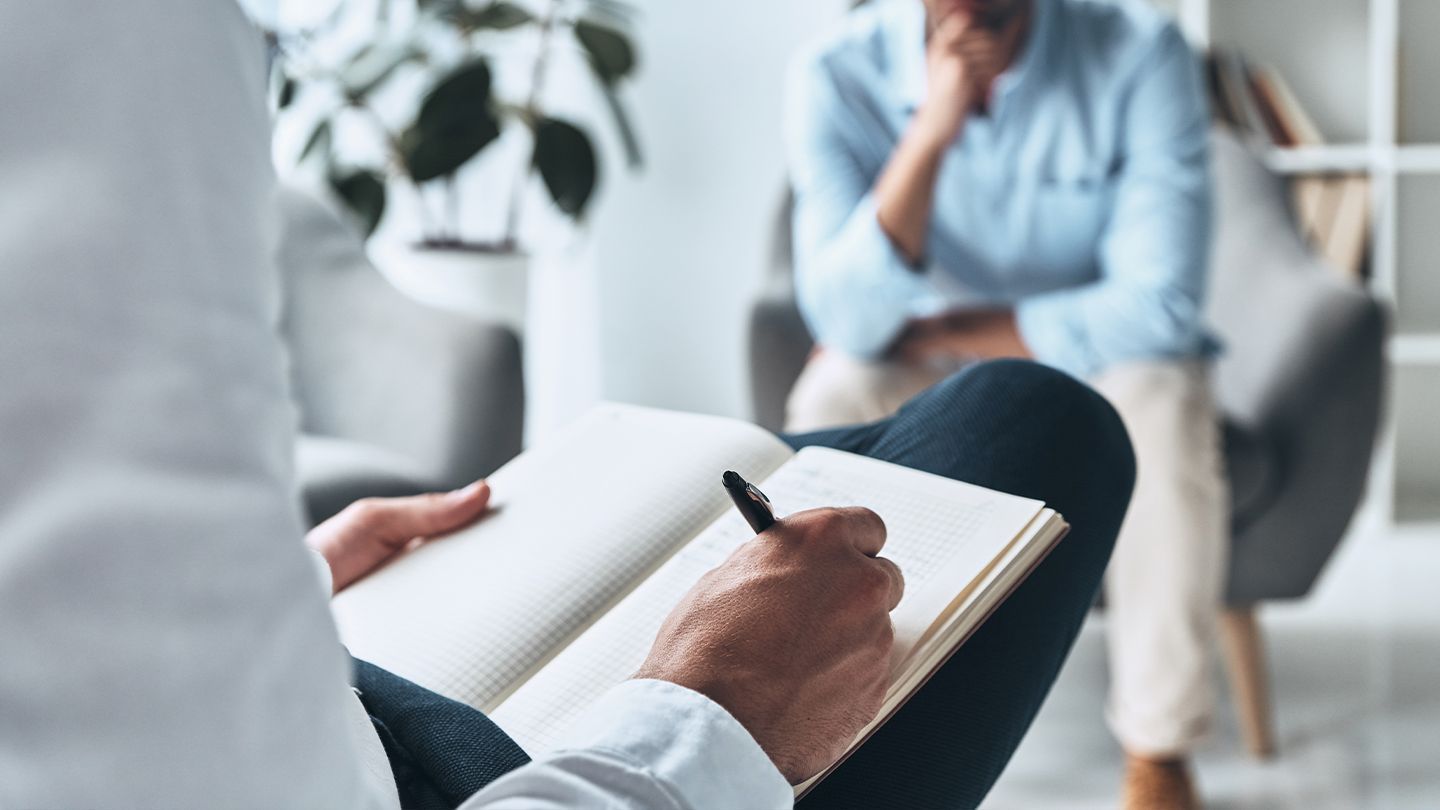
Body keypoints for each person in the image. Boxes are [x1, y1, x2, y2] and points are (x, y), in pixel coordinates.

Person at [0, 1, 1131, 809]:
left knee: (821, 467)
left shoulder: (1126, 64)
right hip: (422, 764)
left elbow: (1159, 304)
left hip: (326, 686)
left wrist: (283, 578)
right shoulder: (119, 46)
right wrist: (715, 721)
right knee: (1037, 422)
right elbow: (848, 302)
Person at [782, 0, 1227, 807]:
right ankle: (819, 734)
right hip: (922, 362)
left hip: (1090, 358)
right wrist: (933, 129)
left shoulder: (1140, 50)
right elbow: (845, 321)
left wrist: (957, 325)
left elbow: (1161, 306)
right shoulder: (835, 71)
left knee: (1162, 399)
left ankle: (1159, 750)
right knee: (835, 387)